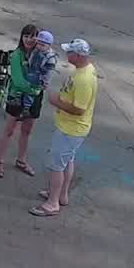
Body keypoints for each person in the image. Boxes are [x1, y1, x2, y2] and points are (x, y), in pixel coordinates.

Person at [30, 38, 98, 218]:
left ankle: (52, 204)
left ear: (78, 55)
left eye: (70, 52)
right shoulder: (84, 70)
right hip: (72, 128)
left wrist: (56, 102)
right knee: (67, 161)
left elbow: (79, 109)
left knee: (56, 165)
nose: (67, 54)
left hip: (71, 129)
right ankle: (62, 195)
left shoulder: (83, 79)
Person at [0, 27, 57, 178]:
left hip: (35, 97)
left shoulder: (42, 53)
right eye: (26, 36)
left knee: (27, 130)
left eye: (32, 36)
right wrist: (35, 89)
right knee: (9, 130)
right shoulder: (17, 55)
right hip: (17, 96)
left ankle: (21, 160)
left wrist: (42, 84)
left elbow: (49, 69)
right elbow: (17, 80)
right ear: (21, 37)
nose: (29, 40)